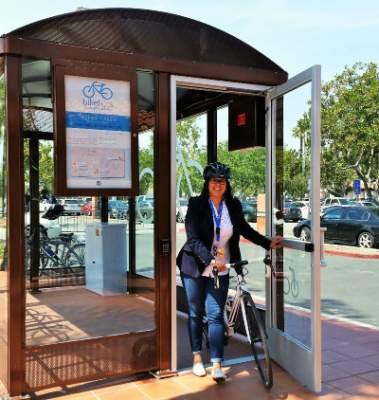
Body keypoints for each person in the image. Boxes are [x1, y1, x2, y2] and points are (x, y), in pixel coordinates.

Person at [176, 162, 283, 382]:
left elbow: (243, 228)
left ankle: (216, 362)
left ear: (226, 184)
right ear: (207, 183)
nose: (218, 184)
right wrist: (210, 259)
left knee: (215, 314)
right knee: (196, 312)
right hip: (195, 265)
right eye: (214, 180)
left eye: (222, 181)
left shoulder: (232, 205)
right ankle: (197, 356)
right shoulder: (196, 204)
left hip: (222, 268)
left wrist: (267, 242)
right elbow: (193, 238)